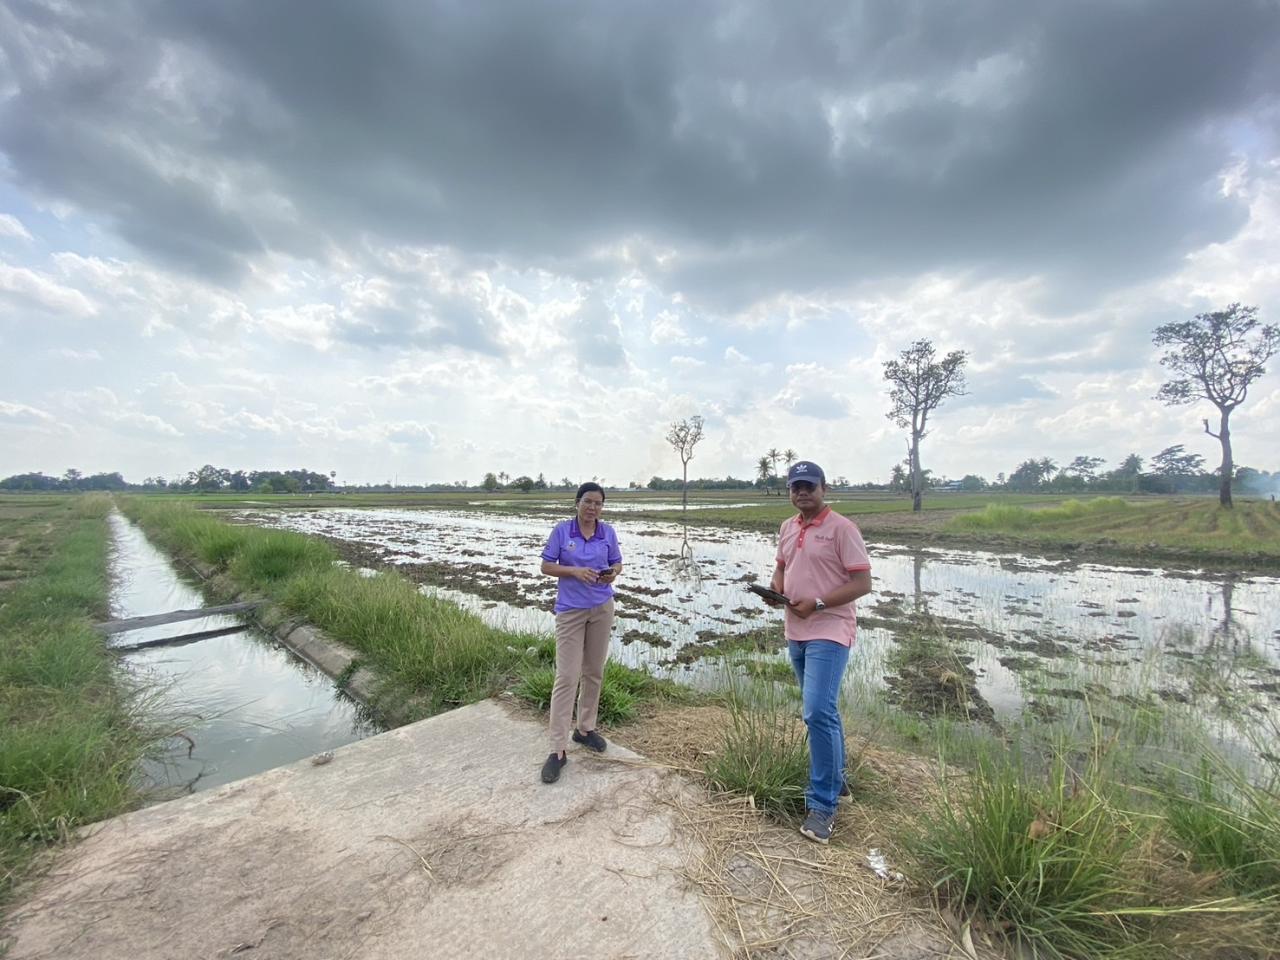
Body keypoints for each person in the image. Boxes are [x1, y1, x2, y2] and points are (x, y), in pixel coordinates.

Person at [768, 460, 872, 843]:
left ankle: (823, 806)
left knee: (815, 711)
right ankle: (838, 779)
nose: (802, 493)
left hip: (829, 629)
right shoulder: (787, 527)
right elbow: (781, 567)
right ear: (790, 492)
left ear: (824, 489)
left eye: (809, 486)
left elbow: (863, 582)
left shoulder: (843, 529)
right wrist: (775, 590)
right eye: (796, 487)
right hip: (796, 629)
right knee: (823, 712)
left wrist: (820, 604)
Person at [538, 482, 623, 784]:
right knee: (567, 677)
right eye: (588, 502)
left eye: (598, 504)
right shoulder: (562, 532)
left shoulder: (607, 532)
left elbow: (617, 562)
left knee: (594, 672)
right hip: (571, 611)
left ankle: (585, 729)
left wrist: (612, 573)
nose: (593, 508)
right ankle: (558, 749)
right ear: (577, 503)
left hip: (601, 607)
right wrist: (574, 571)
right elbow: (546, 566)